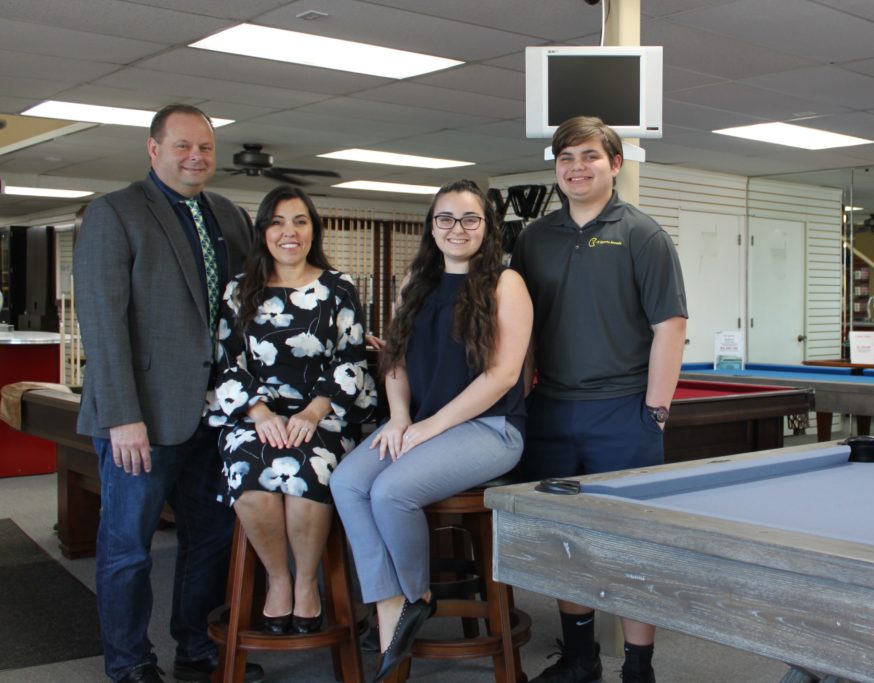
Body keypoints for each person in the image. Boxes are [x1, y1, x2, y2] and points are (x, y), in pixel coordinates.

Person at [74, 104, 263, 683]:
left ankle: (197, 648)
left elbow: (255, 305)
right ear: (153, 149)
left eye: (205, 148)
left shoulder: (229, 215)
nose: (196, 157)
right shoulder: (115, 213)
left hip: (218, 416)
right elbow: (103, 324)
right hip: (144, 419)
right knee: (128, 550)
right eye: (182, 146)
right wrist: (122, 417)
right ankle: (129, 662)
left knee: (210, 541)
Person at [330, 179, 532, 682]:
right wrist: (400, 419)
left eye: (469, 219)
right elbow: (394, 359)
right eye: (445, 218)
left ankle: (417, 595)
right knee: (347, 483)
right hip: (420, 425)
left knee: (391, 492)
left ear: (487, 227)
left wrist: (432, 426)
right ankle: (391, 602)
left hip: (490, 429)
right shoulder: (412, 284)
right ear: (431, 226)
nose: (456, 228)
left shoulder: (507, 284)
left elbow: (503, 375)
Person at [510, 116, 688, 683]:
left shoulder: (644, 235)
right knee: (566, 544)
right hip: (552, 411)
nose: (576, 167)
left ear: (615, 164)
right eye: (566, 158)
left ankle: (638, 666)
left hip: (624, 412)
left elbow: (670, 325)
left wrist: (655, 412)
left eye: (589, 156)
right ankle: (580, 659)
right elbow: (521, 329)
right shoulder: (534, 238)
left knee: (634, 547)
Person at [206, 184, 377, 635]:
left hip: (323, 415)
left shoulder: (339, 287)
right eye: (278, 222)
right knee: (251, 473)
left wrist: (311, 414)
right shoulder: (238, 290)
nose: (289, 232)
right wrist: (261, 414)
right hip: (253, 416)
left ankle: (307, 584)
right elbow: (226, 362)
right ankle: (277, 581)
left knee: (309, 473)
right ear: (263, 231)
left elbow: (350, 360)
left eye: (300, 221)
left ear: (313, 229)